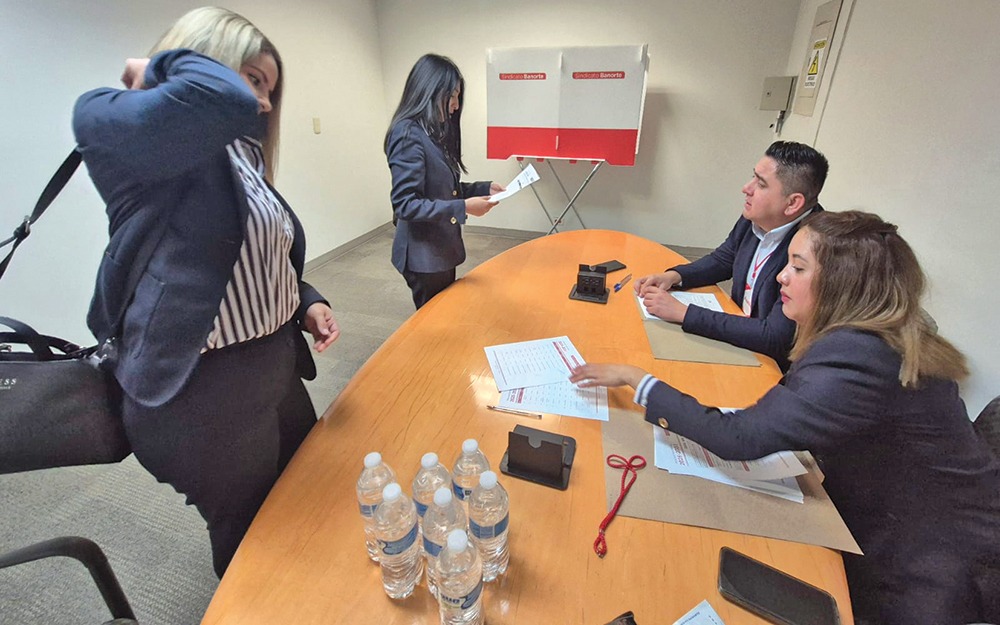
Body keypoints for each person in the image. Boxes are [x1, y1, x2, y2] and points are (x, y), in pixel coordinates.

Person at [571, 210, 1000, 624]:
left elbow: (739, 439)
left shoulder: (856, 358)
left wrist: (638, 380)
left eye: (798, 267)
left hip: (927, 566)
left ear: (840, 284)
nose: (781, 276)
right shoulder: (871, 339)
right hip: (909, 519)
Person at [73, 7, 340, 577]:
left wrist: (306, 299)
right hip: (203, 394)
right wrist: (160, 67)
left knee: (305, 496)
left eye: (269, 91)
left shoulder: (244, 156)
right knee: (254, 542)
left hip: (273, 365)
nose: (262, 104)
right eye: (255, 80)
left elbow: (260, 255)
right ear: (208, 60)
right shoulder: (115, 125)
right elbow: (222, 98)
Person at [635, 141, 828, 370]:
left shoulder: (813, 249)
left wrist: (683, 313)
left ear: (793, 203)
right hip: (739, 335)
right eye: (753, 177)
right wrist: (675, 276)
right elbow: (724, 259)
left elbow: (775, 337)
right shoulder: (758, 216)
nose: (746, 188)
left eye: (761, 184)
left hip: (771, 365)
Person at [384, 53, 503, 309]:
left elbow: (442, 189)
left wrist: (483, 188)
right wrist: (464, 207)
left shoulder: (431, 132)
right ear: (430, 91)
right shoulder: (407, 134)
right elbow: (405, 204)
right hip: (423, 256)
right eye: (452, 96)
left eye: (458, 96)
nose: (456, 105)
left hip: (439, 249)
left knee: (445, 311)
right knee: (434, 319)